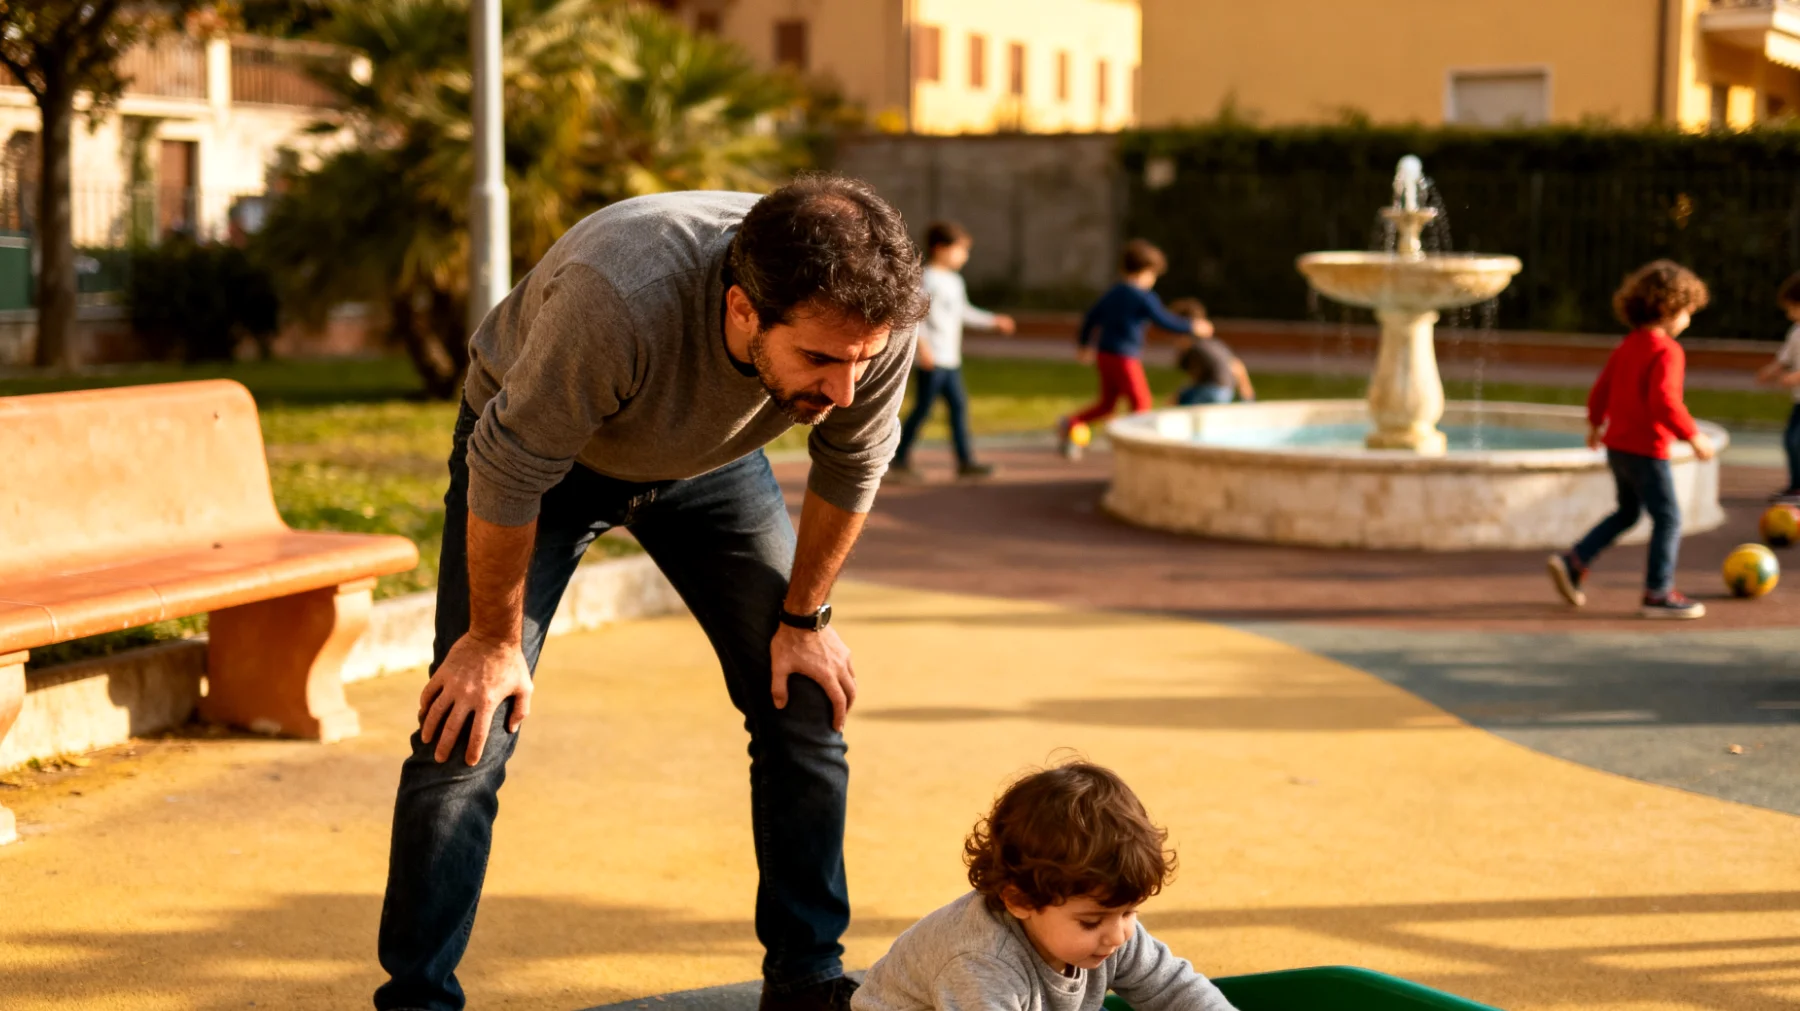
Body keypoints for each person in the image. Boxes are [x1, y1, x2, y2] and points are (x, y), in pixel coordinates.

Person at [374, 176, 929, 1011]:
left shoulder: (867, 323)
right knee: (470, 720)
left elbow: (853, 459)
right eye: (818, 359)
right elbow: (512, 462)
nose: (844, 388)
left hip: (707, 463)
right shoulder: (620, 295)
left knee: (803, 695)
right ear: (743, 310)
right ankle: (416, 1000)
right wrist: (491, 641)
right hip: (544, 462)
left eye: (862, 360)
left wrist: (804, 618)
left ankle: (808, 975)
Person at [852, 761, 1238, 1011]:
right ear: (1019, 901)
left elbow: (1175, 990)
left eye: (1130, 911)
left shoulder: (1112, 930)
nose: (1119, 934)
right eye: (1090, 922)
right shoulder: (982, 962)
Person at [1548, 259, 1716, 620]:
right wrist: (1693, 436)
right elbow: (1664, 401)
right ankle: (1658, 593)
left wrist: (1595, 425)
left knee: (1628, 512)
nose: (1688, 320)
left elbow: (1602, 388)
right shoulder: (1667, 350)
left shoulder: (1628, 345)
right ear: (1670, 308)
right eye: (1687, 311)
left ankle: (1575, 561)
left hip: (1618, 447)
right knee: (1669, 519)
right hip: (1647, 450)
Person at [890, 221, 1016, 481]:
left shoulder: (955, 281)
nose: (965, 256)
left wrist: (993, 321)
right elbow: (914, 317)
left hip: (951, 361)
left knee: (958, 407)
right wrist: (923, 349)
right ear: (940, 248)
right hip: (932, 360)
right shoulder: (926, 279)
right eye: (960, 249)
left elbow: (964, 312)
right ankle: (898, 460)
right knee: (922, 410)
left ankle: (965, 462)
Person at [1060, 240, 1208, 458]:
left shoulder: (1114, 292)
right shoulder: (1142, 296)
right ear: (1147, 272)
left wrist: (1084, 345)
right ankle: (1138, 446)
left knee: (1107, 404)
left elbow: (1091, 317)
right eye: (1154, 275)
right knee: (1141, 402)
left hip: (1104, 354)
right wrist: (1192, 326)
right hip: (1124, 357)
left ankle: (1071, 422)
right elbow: (1163, 320)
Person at [1755, 270, 1800, 502]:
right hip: (1798, 401)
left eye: (1792, 307)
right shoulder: (1795, 332)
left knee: (1796, 441)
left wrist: (1796, 377)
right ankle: (1795, 486)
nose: (1789, 313)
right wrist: (1771, 371)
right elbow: (1785, 358)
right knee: (1790, 440)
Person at [1166, 298, 1253, 406]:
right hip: (1227, 390)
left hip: (1212, 390)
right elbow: (1237, 366)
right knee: (1184, 395)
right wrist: (1247, 393)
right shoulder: (1214, 344)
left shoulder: (1193, 345)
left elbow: (1196, 377)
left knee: (1180, 400)